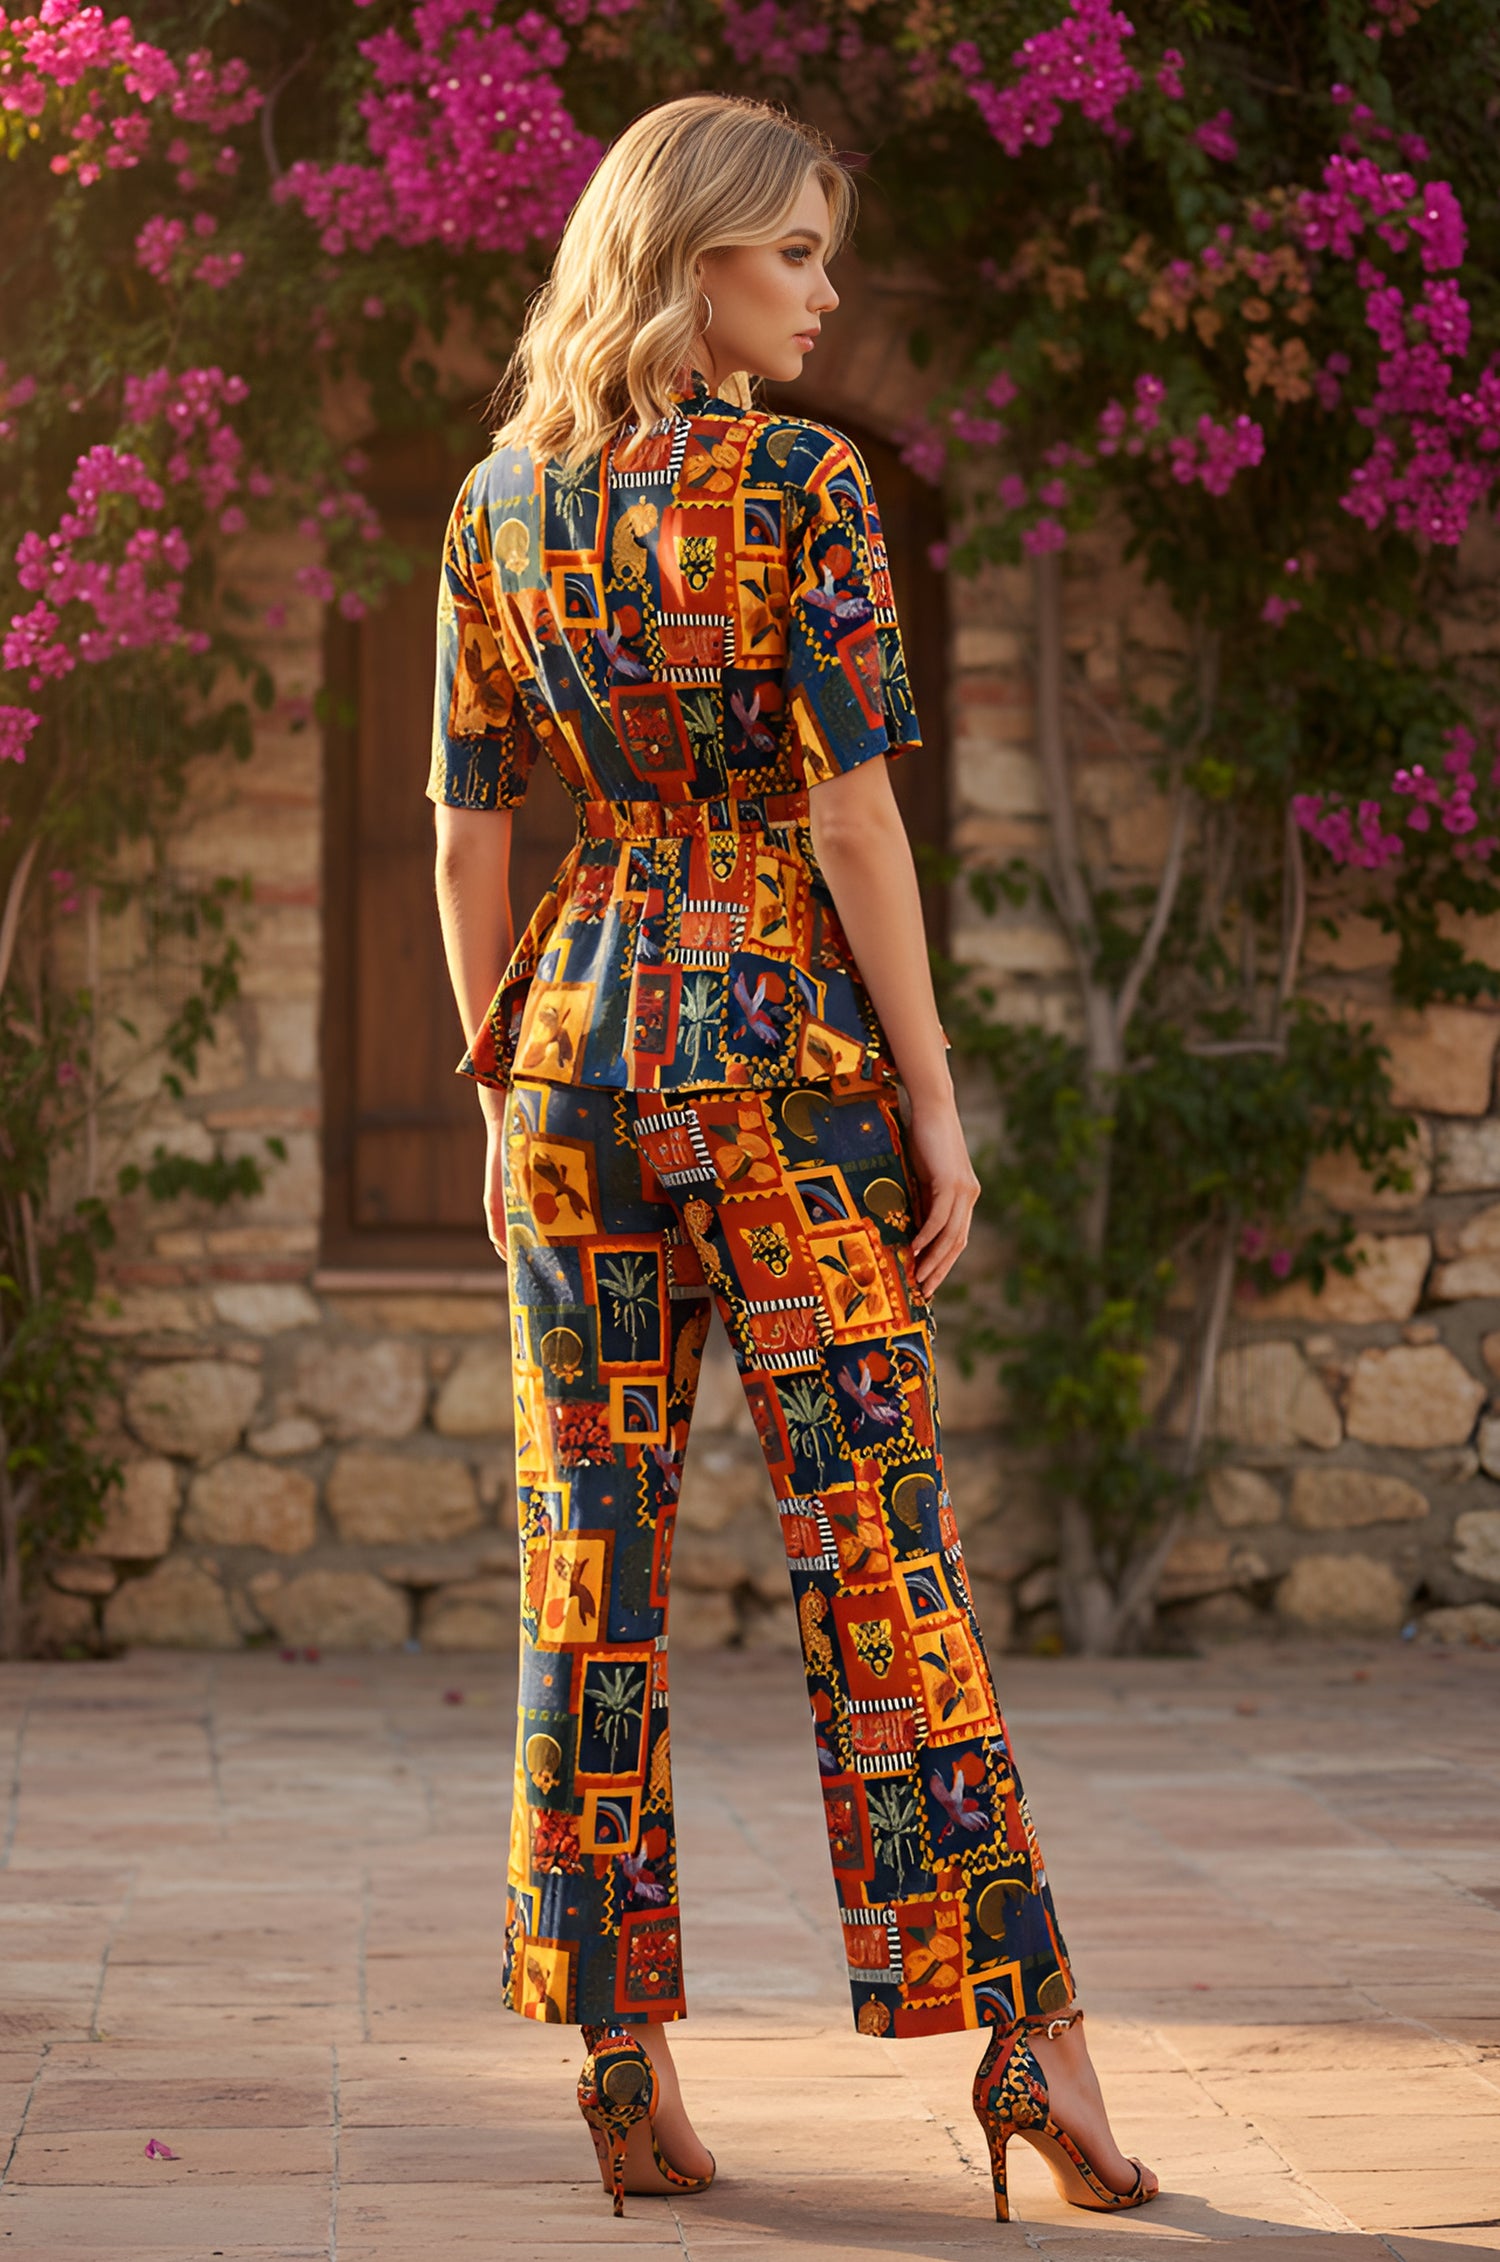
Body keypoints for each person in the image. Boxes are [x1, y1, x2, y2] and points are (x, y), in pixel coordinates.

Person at [429, 91, 1159, 2227]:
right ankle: (1026, 2041)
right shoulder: (801, 485)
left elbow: (469, 828)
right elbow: (853, 822)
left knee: (595, 1566)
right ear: (696, 263)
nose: (828, 293)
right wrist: (935, 1094)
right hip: (783, 1057)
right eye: (800, 256)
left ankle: (620, 2071)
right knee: (878, 1553)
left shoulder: (499, 502)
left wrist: (492, 1080)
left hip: (570, 1063)